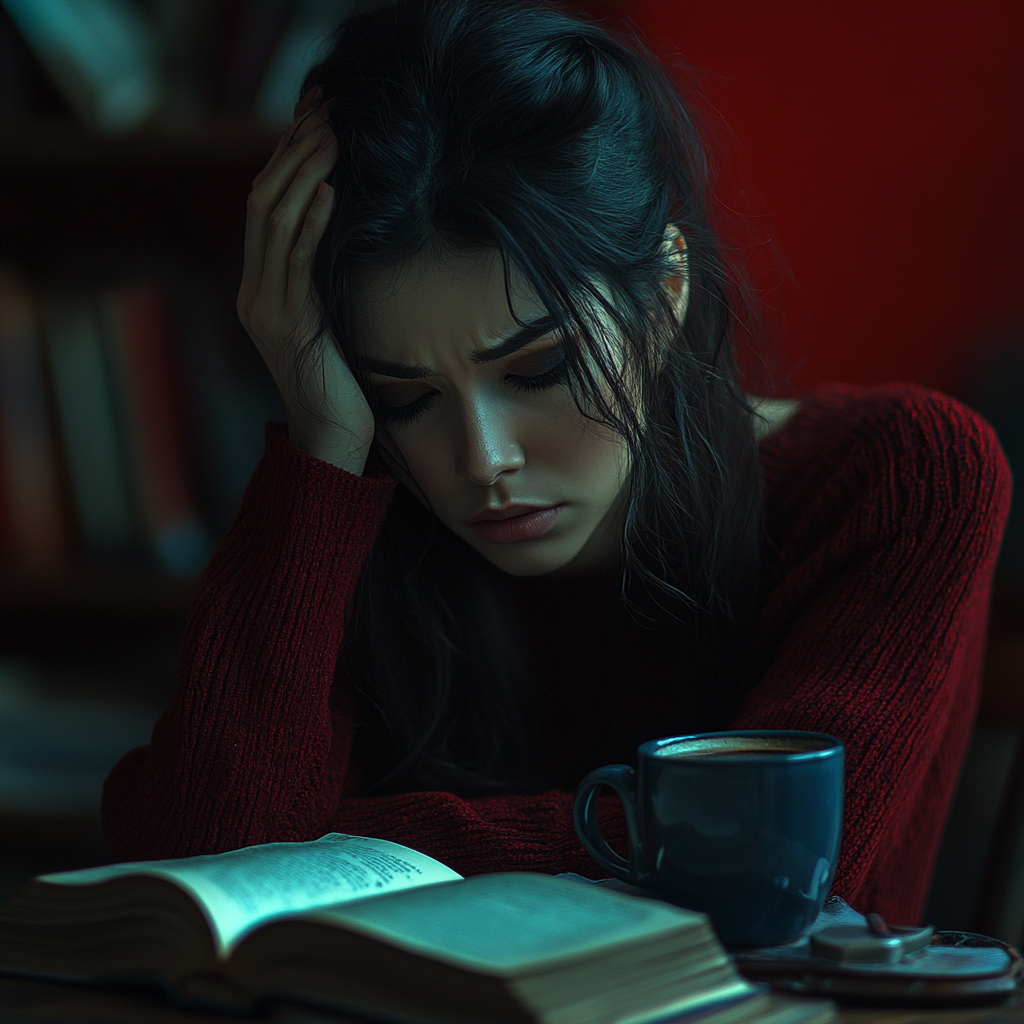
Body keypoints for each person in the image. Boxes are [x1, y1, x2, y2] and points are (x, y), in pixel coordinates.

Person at [102, 0, 1010, 926]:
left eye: (538, 369)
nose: (482, 459)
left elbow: (780, 868)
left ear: (663, 295)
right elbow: (201, 870)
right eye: (406, 396)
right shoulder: (356, 507)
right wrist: (322, 449)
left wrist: (336, 845)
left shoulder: (902, 477)